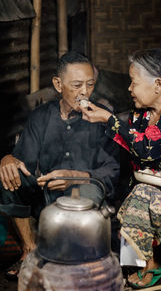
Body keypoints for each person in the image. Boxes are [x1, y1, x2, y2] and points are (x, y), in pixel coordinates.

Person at [80, 48, 161, 288]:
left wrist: (109, 119)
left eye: (133, 82)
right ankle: (146, 264)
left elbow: (148, 148)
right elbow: (134, 152)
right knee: (138, 196)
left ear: (157, 84)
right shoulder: (140, 115)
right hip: (152, 189)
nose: (129, 89)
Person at [0, 51, 120, 278]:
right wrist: (7, 159)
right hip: (47, 195)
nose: (85, 92)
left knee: (83, 191)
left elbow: (111, 172)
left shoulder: (102, 119)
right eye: (76, 85)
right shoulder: (41, 116)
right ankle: (30, 250)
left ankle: (69, 262)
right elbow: (22, 161)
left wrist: (75, 176)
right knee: (8, 176)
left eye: (90, 84)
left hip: (85, 198)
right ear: (58, 84)